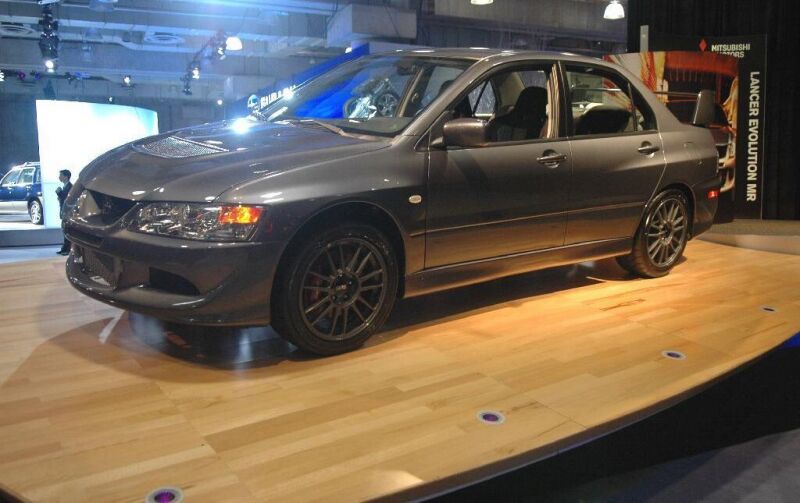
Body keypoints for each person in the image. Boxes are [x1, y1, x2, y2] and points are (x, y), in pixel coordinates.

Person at [56, 169, 72, 255]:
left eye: (61, 175)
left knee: (67, 230)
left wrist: (59, 194)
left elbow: (67, 199)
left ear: (66, 177)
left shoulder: (70, 187)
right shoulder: (65, 186)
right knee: (64, 230)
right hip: (64, 211)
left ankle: (67, 249)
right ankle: (65, 248)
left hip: (67, 212)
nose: (59, 177)